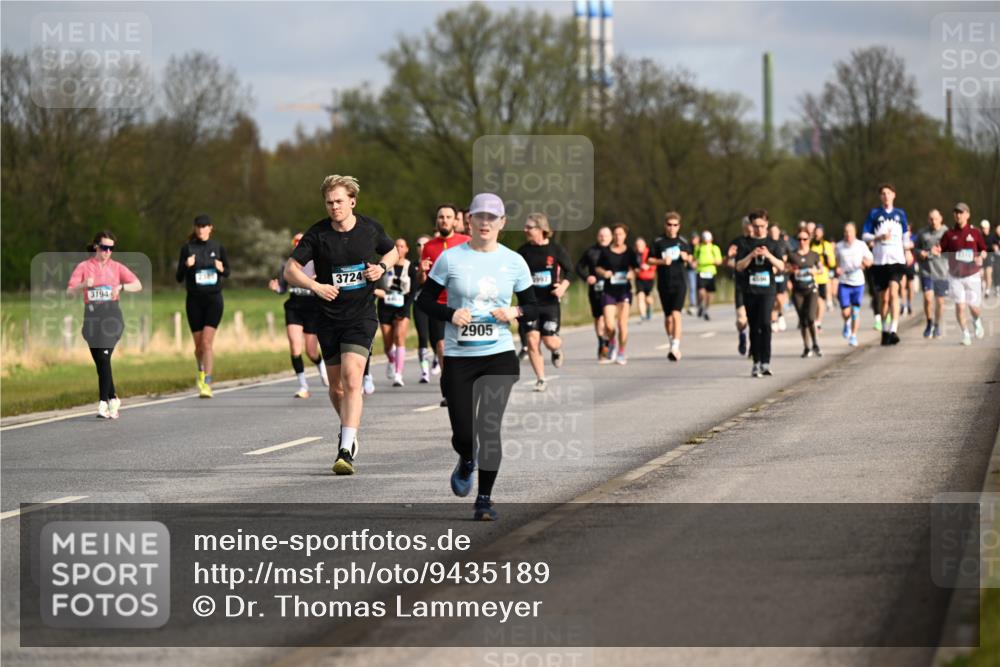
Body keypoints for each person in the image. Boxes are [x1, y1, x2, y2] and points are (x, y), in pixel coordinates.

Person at [416, 193, 538, 521]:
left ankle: (484, 499)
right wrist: (450, 313)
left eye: (492, 217)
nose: (485, 223)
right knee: (464, 435)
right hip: (458, 357)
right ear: (468, 220)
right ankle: (467, 459)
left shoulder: (514, 261)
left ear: (502, 223)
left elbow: (536, 307)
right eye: (479, 217)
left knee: (489, 427)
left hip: (499, 356)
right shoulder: (451, 259)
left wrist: (515, 310)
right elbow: (423, 302)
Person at [285, 174, 398, 476]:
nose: (334, 207)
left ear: (352, 201)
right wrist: (315, 286)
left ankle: (345, 449)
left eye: (339, 201)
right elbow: (289, 270)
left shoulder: (370, 229)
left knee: (351, 379)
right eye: (329, 202)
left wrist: (382, 267)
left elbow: (393, 251)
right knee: (336, 388)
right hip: (327, 318)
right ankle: (349, 429)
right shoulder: (318, 234)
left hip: (360, 316)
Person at [67, 231, 143, 419]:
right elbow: (69, 292)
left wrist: (122, 287)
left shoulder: (117, 267)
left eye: (111, 248)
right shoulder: (84, 267)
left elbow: (138, 284)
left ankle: (103, 403)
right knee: (102, 361)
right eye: (104, 247)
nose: (107, 251)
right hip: (91, 317)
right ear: (96, 247)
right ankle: (113, 397)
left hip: (112, 316)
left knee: (103, 356)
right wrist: (83, 284)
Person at [419, 204, 471, 407]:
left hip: (461, 305)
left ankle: (465, 385)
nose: (444, 220)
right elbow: (422, 282)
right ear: (437, 220)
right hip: (438, 307)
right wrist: (421, 272)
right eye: (441, 217)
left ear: (455, 221)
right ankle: (450, 390)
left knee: (463, 348)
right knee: (441, 348)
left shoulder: (465, 242)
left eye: (448, 217)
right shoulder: (429, 247)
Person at [516, 213, 573, 392]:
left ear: (541, 229)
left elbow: (570, 271)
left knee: (550, 341)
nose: (525, 230)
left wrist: (562, 287)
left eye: (529, 227)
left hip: (549, 304)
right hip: (529, 304)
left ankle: (556, 350)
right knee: (532, 341)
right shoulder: (522, 252)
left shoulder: (555, 250)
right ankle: (541, 378)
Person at [269, 233, 329, 398]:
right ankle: (303, 386)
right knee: (295, 347)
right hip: (294, 308)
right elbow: (282, 288)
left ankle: (321, 366)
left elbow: (326, 285)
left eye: (301, 243)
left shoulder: (317, 263)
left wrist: (320, 280)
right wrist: (276, 288)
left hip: (312, 309)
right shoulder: (287, 264)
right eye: (295, 243)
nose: (298, 246)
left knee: (311, 352)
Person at [176, 214, 230, 397]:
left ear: (210, 228)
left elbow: (228, 272)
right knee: (198, 346)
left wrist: (221, 268)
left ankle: (207, 382)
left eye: (204, 226)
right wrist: (186, 265)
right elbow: (178, 277)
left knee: (207, 343)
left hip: (214, 300)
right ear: (195, 228)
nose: (201, 229)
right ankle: (200, 371)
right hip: (194, 301)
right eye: (198, 226)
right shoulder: (188, 248)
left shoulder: (218, 247)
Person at [735, 210, 785, 377]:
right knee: (754, 326)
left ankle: (766, 362)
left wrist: (768, 255)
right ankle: (756, 362)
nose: (759, 230)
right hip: (750, 290)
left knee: (765, 324)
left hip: (767, 290)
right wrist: (751, 255)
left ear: (767, 225)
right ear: (751, 226)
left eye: (762, 226)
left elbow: (782, 266)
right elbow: (739, 266)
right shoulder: (744, 243)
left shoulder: (773, 243)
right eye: (756, 226)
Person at [862, 183, 910, 346]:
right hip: (880, 261)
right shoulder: (874, 214)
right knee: (884, 297)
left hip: (896, 260)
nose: (886, 196)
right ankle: (884, 330)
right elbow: (865, 235)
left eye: (888, 193)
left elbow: (905, 235)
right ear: (880, 197)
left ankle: (894, 330)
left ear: (894, 195)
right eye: (883, 193)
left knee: (894, 292)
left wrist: (908, 251)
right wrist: (878, 237)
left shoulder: (900, 214)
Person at [940, 203, 988, 346]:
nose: (958, 215)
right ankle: (965, 334)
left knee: (974, 308)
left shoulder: (975, 233)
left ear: (967, 214)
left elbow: (984, 250)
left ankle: (976, 320)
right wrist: (936, 250)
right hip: (955, 276)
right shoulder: (949, 234)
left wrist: (981, 257)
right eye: (956, 212)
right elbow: (941, 249)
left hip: (972, 275)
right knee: (960, 306)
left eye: (961, 212)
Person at [648, 211, 692, 361]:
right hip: (664, 283)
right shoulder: (658, 241)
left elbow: (691, 258)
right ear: (665, 225)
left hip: (680, 282)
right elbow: (649, 260)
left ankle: (675, 346)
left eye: (675, 225)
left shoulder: (683, 242)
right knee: (668, 319)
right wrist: (661, 262)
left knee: (676, 314)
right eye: (669, 225)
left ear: (679, 226)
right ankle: (671, 340)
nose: (672, 227)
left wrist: (687, 258)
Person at [374, 238, 417, 387]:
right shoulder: (384, 264)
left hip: (402, 306)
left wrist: (406, 308)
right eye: (396, 246)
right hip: (385, 306)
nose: (399, 248)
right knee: (387, 344)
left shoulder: (409, 267)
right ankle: (391, 360)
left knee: (399, 337)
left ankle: (398, 374)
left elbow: (413, 291)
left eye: (402, 246)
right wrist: (379, 293)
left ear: (406, 249)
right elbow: (375, 286)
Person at [595, 223, 640, 364]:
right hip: (609, 291)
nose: (618, 236)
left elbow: (636, 269)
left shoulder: (630, 252)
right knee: (609, 325)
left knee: (622, 324)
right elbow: (598, 268)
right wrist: (605, 273)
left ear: (625, 235)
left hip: (624, 291)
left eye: (621, 234)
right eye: (615, 234)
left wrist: (632, 274)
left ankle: (621, 352)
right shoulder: (606, 251)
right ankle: (612, 341)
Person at [576, 226, 613, 360]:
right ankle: (601, 342)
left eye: (606, 235)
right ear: (598, 237)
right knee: (598, 317)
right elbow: (579, 267)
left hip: (612, 289)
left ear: (611, 237)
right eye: (601, 235)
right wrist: (587, 277)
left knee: (608, 319)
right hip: (595, 289)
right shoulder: (591, 251)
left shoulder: (615, 250)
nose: (603, 238)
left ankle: (609, 342)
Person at [834, 222, 873, 347]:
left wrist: (866, 263)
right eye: (845, 231)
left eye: (850, 231)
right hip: (844, 282)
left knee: (855, 311)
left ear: (855, 232)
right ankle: (847, 323)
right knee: (846, 312)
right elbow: (836, 262)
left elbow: (870, 259)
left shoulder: (861, 245)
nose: (848, 234)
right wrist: (837, 268)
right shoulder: (839, 246)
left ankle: (853, 336)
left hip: (858, 282)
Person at [786, 230, 823, 357]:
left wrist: (815, 271)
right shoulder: (792, 255)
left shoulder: (814, 255)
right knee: (803, 320)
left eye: (805, 239)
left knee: (811, 317)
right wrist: (791, 270)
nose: (802, 242)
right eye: (799, 239)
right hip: (797, 291)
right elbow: (785, 268)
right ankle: (807, 347)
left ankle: (816, 344)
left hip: (811, 289)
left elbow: (821, 269)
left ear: (809, 240)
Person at [915, 210, 949, 339]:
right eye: (931, 219)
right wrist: (920, 253)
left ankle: (937, 324)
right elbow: (915, 248)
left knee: (940, 302)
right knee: (928, 298)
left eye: (936, 219)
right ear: (928, 220)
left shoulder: (947, 232)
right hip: (927, 270)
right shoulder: (922, 233)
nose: (933, 221)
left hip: (942, 271)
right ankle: (929, 323)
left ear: (941, 218)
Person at [726, 218, 753, 356]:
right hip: (741, 284)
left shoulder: (759, 243)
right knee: (742, 319)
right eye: (748, 225)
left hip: (756, 285)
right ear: (743, 227)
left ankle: (753, 345)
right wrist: (731, 259)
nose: (750, 227)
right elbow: (728, 262)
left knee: (755, 319)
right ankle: (742, 335)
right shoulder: (737, 242)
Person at [411, 235, 436, 383]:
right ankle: (424, 371)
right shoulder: (413, 265)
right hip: (419, 303)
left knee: (436, 338)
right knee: (422, 336)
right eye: (418, 245)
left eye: (425, 245)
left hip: (435, 304)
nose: (422, 248)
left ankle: (438, 359)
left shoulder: (438, 262)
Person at [809, 223, 836, 331]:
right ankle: (813, 320)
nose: (817, 234)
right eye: (816, 232)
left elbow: (832, 264)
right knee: (813, 301)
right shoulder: (810, 244)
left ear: (822, 233)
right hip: (811, 276)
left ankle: (818, 322)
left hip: (822, 278)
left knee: (820, 301)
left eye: (819, 232)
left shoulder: (827, 245)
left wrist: (827, 257)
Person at [693, 231, 723, 320]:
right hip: (701, 272)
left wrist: (711, 261)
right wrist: (694, 263)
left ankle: (706, 309)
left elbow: (719, 261)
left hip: (711, 273)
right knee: (701, 292)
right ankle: (700, 306)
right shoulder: (698, 248)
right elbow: (694, 259)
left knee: (709, 295)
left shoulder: (714, 248)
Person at [769, 223, 790, 332]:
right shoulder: (767, 244)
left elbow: (789, 258)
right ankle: (773, 321)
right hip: (770, 275)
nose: (773, 233)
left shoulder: (783, 243)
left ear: (778, 231)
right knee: (772, 300)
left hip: (781, 275)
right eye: (771, 231)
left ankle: (780, 314)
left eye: (775, 231)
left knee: (780, 299)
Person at [633, 236, 656, 322]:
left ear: (644, 245)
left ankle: (649, 308)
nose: (639, 247)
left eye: (640, 245)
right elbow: (632, 265)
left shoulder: (649, 252)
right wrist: (634, 269)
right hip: (639, 278)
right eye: (637, 245)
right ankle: (642, 315)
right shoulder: (634, 254)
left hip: (649, 277)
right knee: (640, 296)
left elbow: (655, 263)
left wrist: (648, 266)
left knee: (648, 298)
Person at [686, 232, 700, 316]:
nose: (694, 240)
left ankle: (700, 303)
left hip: (700, 269)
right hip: (690, 270)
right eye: (693, 239)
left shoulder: (701, 247)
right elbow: (688, 257)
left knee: (700, 288)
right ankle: (693, 304)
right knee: (692, 287)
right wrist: (692, 263)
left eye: (695, 238)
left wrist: (697, 263)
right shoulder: (689, 247)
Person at [981, 219, 994, 297]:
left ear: (988, 228)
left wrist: (994, 247)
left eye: (985, 228)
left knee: (988, 274)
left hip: (989, 258)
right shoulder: (980, 236)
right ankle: (983, 285)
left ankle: (987, 291)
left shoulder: (992, 237)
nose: (984, 230)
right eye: (983, 228)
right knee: (982, 274)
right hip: (982, 258)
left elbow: (995, 246)